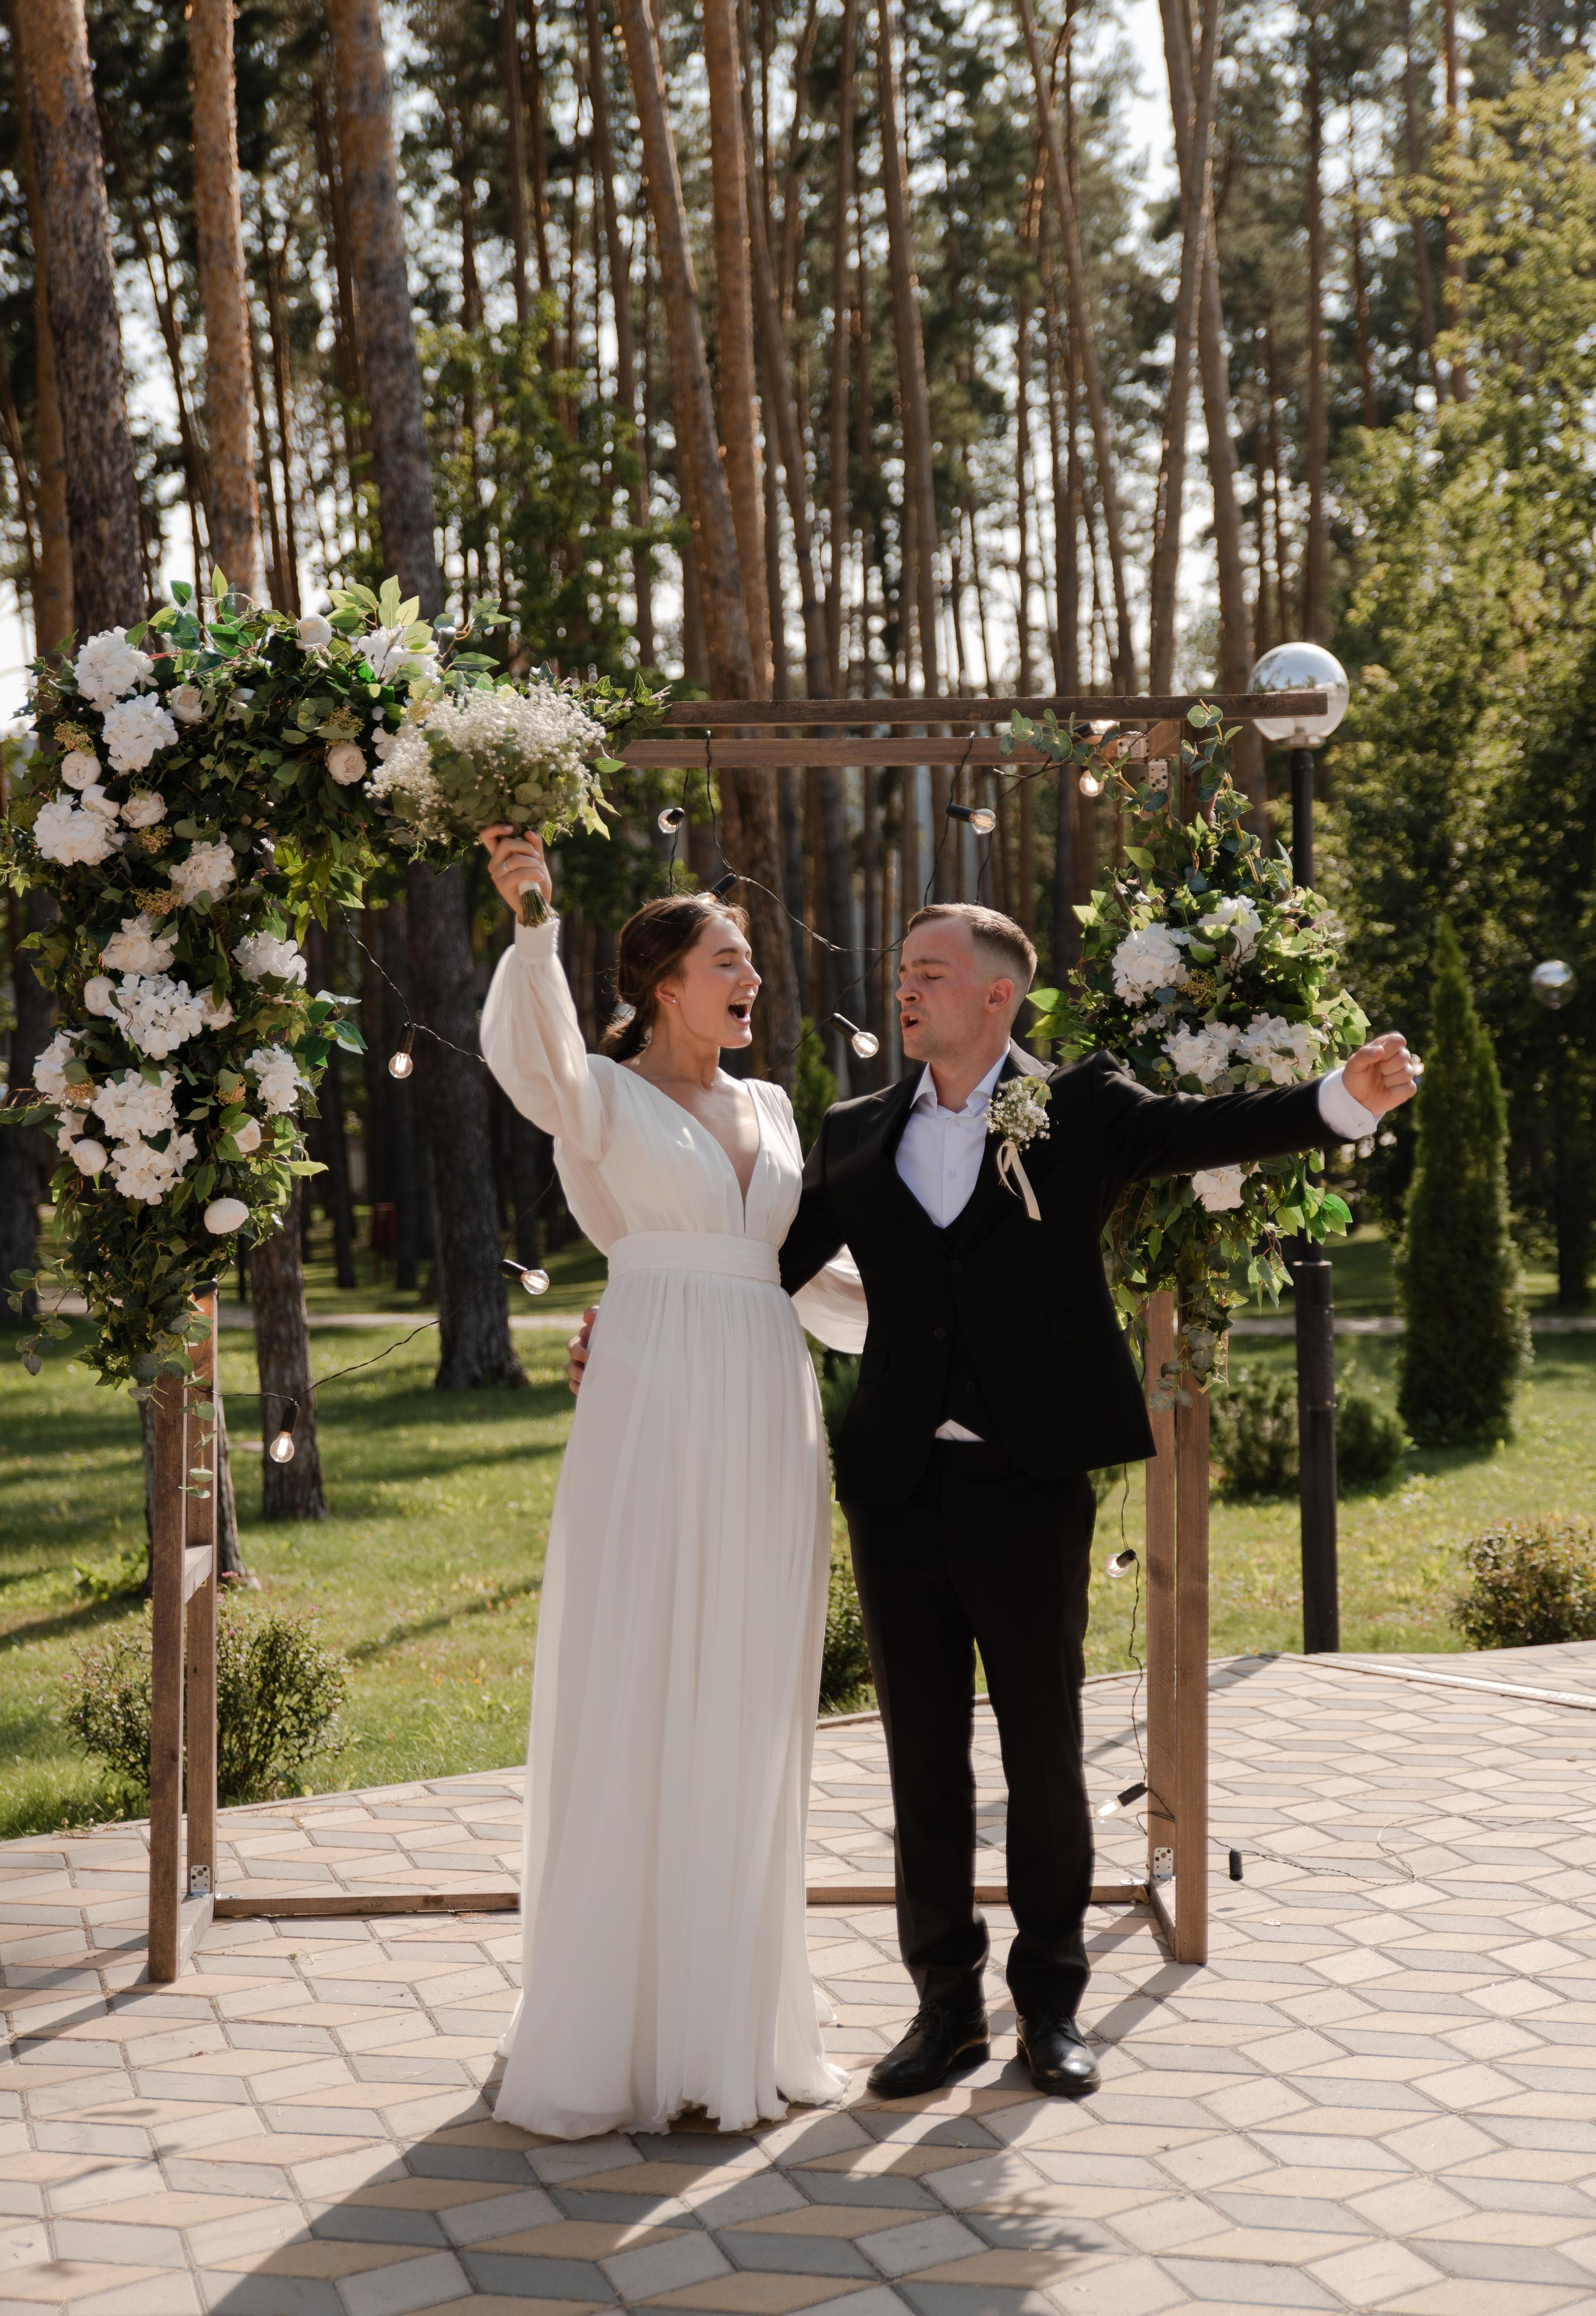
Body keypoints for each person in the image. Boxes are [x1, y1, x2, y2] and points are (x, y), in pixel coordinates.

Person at [572, 901, 1421, 2104]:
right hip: (896, 1488)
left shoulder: (1084, 1108)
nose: (905, 988)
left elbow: (1212, 1125)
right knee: (923, 1760)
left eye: (929, 972)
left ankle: (1053, 2006)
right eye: (902, 968)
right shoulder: (855, 1133)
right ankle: (943, 2009)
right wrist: (631, 1313)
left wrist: (1344, 1096)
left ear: (996, 998)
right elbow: (745, 1260)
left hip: (1030, 1485)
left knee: (1044, 1752)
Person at [476, 823, 847, 2139]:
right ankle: (613, 2034)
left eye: (750, 959)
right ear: (663, 986)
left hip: (765, 1404)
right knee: (639, 1670)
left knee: (747, 1691)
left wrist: (958, 1316)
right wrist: (533, 923)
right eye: (728, 958)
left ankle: (731, 2019)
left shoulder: (777, 1109)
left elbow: (807, 1275)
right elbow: (525, 1054)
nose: (752, 978)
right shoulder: (598, 1093)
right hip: (649, 1397)